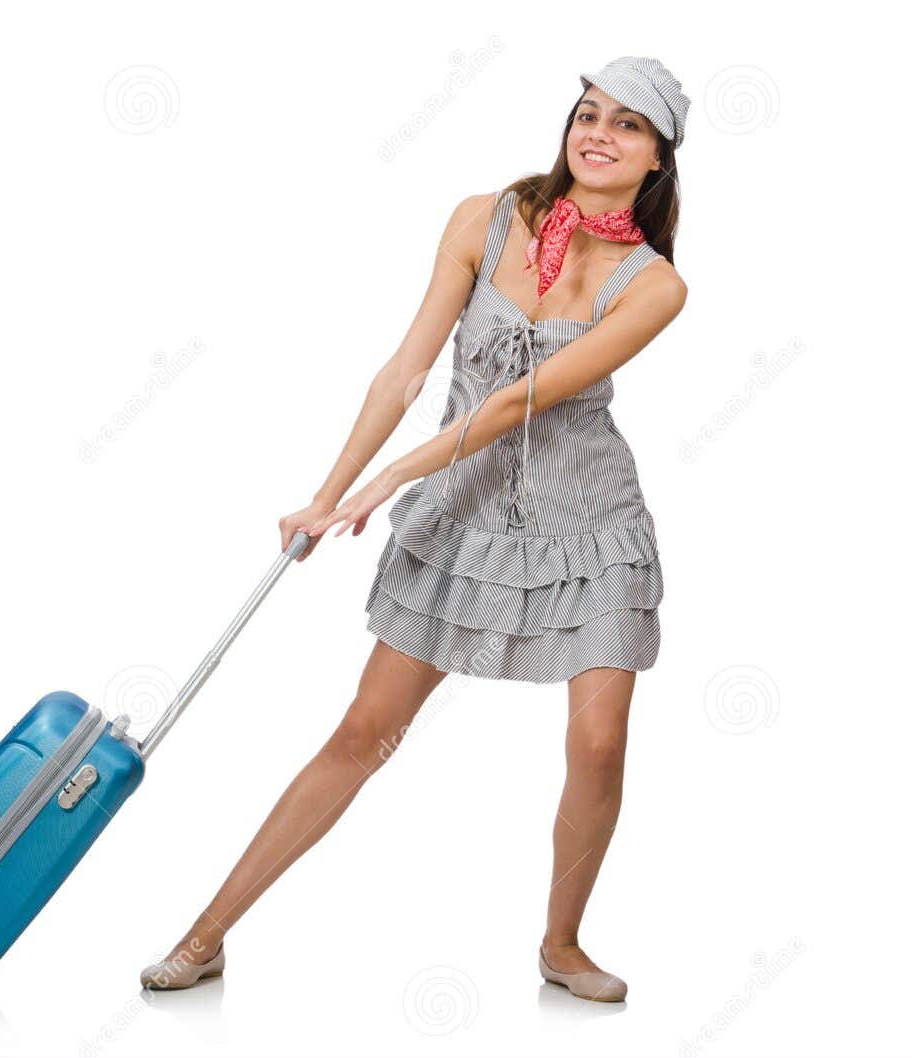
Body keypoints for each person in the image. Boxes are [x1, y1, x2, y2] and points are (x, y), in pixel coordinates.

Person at [140, 57, 691, 1003]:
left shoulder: (655, 287)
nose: (598, 133)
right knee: (366, 730)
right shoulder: (484, 217)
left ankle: (562, 944)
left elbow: (534, 394)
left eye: (628, 125)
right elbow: (404, 372)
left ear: (658, 158)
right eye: (588, 113)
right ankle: (207, 933)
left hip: (588, 527)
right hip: (461, 517)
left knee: (598, 745)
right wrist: (330, 491)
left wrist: (397, 473)